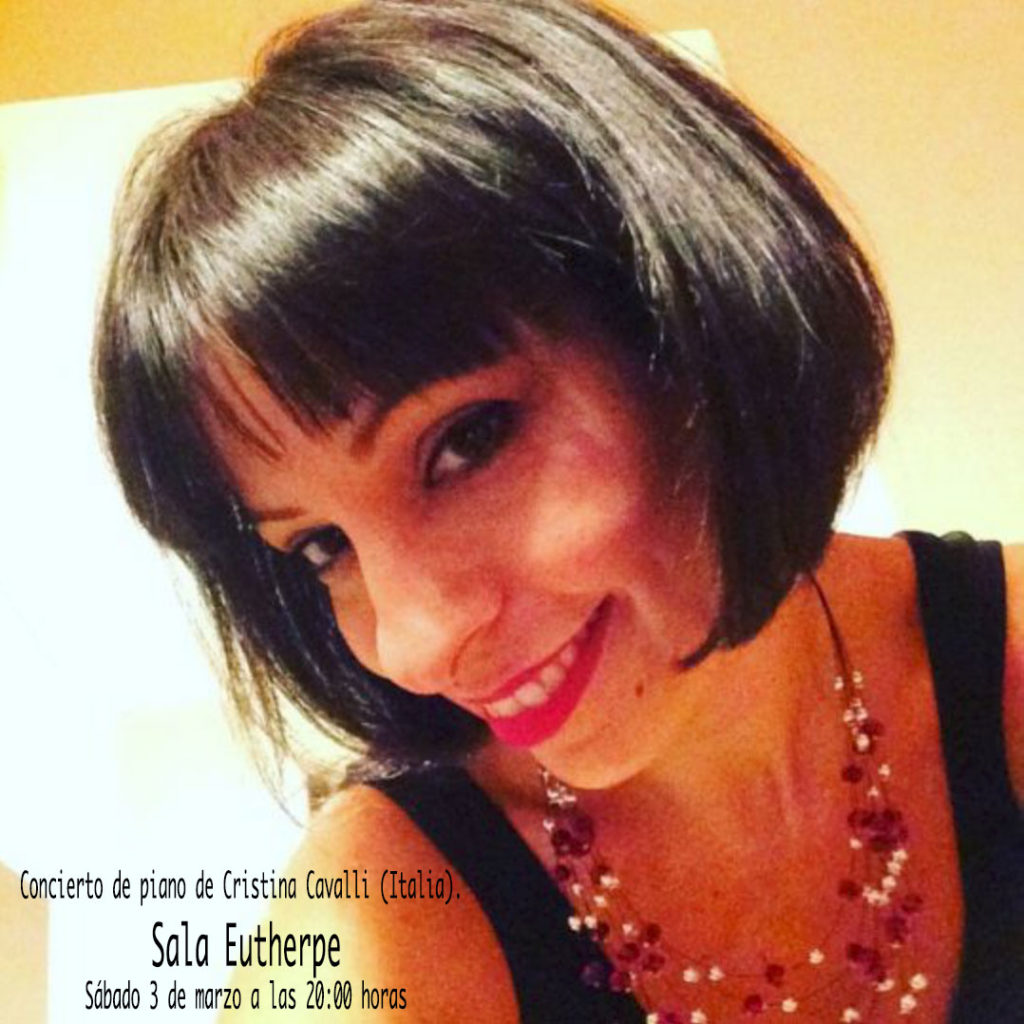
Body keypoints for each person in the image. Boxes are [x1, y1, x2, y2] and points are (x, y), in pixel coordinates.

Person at [92, 0, 1023, 1019]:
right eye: (321, 545)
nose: (415, 645)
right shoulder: (376, 921)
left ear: (689, 315)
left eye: (465, 442)